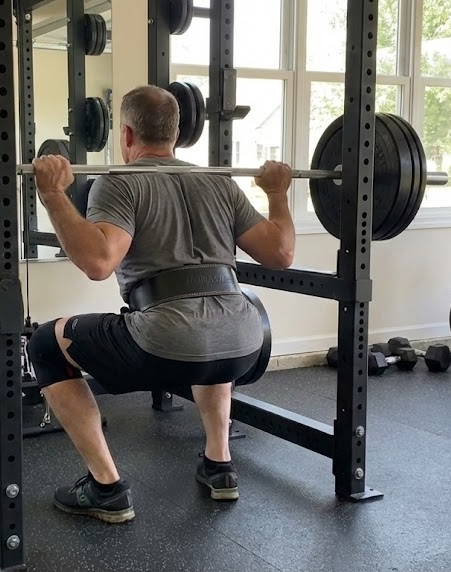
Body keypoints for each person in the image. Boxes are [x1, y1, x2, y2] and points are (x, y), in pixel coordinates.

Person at [28, 84, 295, 524]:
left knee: (43, 343)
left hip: (166, 342)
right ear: (177, 133)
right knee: (206, 329)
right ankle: (220, 465)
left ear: (127, 135)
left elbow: (98, 261)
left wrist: (54, 196)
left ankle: (105, 488)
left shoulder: (120, 183)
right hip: (246, 342)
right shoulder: (217, 182)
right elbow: (281, 253)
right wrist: (279, 194)